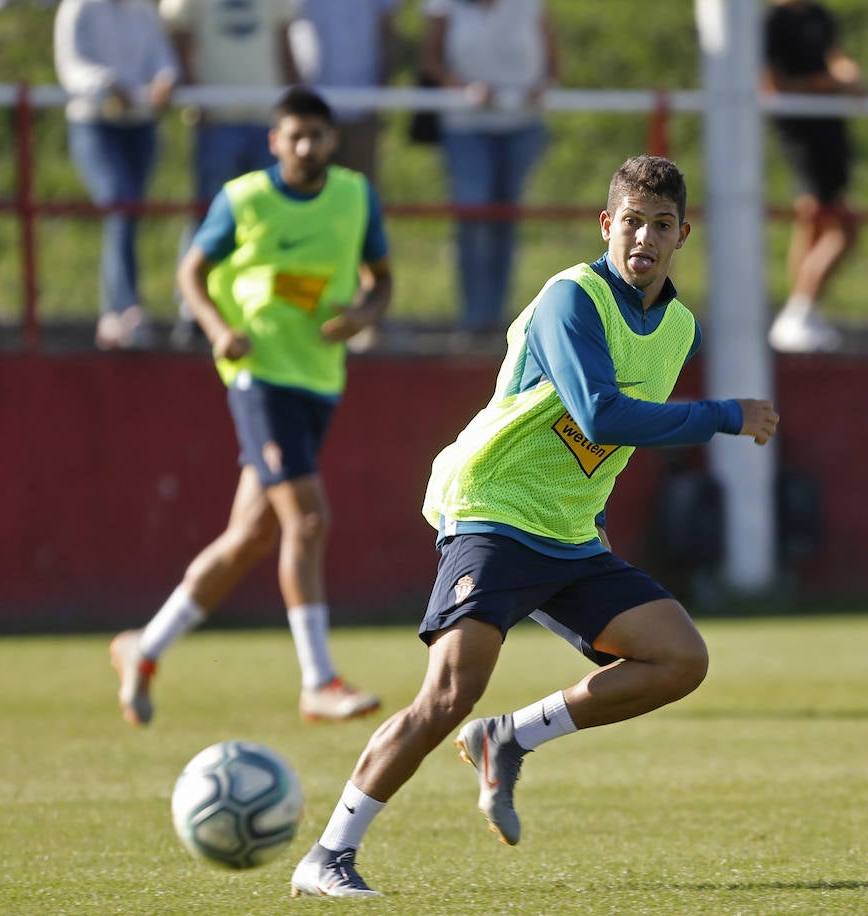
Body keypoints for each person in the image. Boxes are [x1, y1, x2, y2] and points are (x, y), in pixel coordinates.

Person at [288, 155, 781, 898]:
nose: (643, 238)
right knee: (449, 693)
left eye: (661, 225)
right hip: (493, 508)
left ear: (684, 235)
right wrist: (723, 416)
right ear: (607, 226)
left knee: (678, 658)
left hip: (569, 530)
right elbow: (602, 414)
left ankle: (510, 738)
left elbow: (603, 445)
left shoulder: (679, 329)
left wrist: (598, 516)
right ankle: (328, 852)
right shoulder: (570, 300)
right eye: (632, 223)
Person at [108, 87, 391, 726]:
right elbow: (191, 272)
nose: (304, 146)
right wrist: (215, 329)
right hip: (258, 374)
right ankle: (318, 680)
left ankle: (143, 647)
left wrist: (363, 315)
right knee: (309, 521)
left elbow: (382, 279)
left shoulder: (354, 196)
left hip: (319, 378)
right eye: (293, 135)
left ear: (331, 139)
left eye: (316, 135)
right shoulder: (243, 199)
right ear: (274, 140)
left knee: (251, 536)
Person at [159, 0, 303, 349]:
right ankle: (194, 311)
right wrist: (197, 94)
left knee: (272, 218)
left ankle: (273, 306)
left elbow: (283, 40)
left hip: (267, 119)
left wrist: (295, 105)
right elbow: (177, 33)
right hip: (216, 120)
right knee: (209, 217)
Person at [419, 0, 560, 336]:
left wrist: (544, 86)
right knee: (474, 220)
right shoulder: (445, 6)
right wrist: (463, 89)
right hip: (465, 125)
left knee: (506, 221)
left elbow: (554, 60)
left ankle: (499, 319)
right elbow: (429, 59)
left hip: (522, 124)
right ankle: (474, 319)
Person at [55, 0, 179, 350]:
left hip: (140, 127)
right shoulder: (78, 8)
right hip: (94, 124)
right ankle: (122, 310)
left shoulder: (142, 9)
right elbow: (71, 66)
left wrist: (164, 81)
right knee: (120, 203)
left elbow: (161, 56)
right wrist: (109, 85)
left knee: (128, 212)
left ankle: (119, 308)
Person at [761, 0, 866, 354]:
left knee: (813, 226)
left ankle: (800, 310)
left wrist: (849, 73)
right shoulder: (772, 20)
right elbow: (772, 84)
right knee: (842, 228)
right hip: (801, 134)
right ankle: (798, 310)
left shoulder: (819, 14)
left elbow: (834, 56)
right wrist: (831, 83)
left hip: (829, 130)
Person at [292, 0, 398, 182]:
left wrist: (381, 91)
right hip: (310, 108)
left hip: (363, 105)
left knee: (359, 190)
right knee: (307, 188)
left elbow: (387, 28)